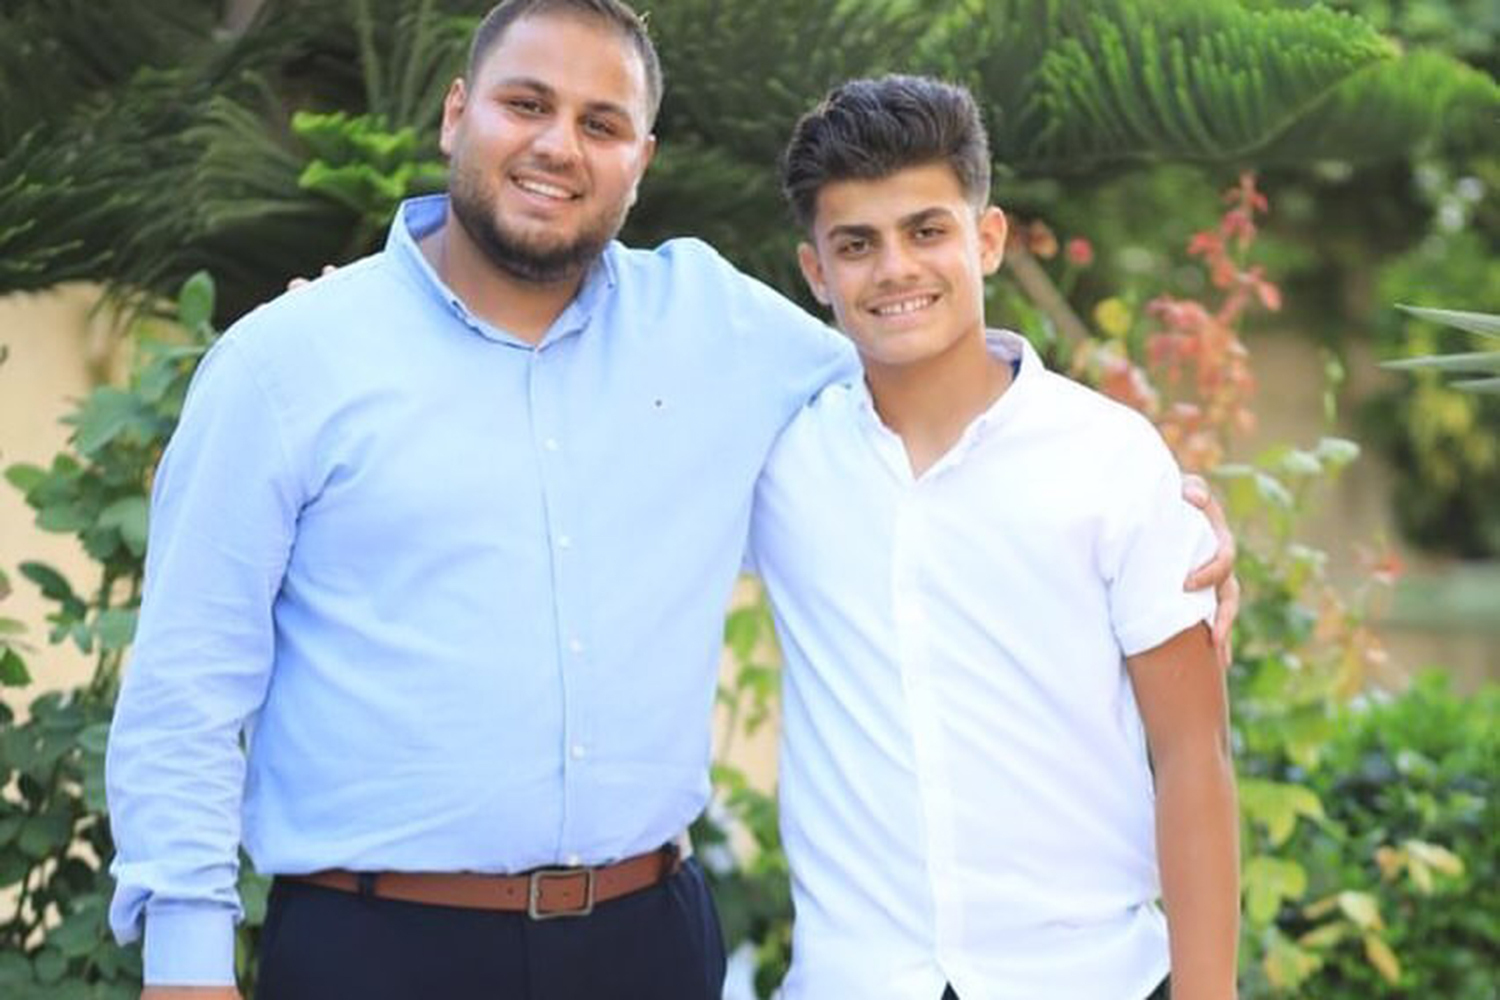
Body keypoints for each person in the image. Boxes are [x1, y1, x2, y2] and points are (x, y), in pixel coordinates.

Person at [105, 3, 1238, 999]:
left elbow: (913, 360)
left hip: (644, 944)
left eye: (601, 124)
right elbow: (188, 688)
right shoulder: (289, 363)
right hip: (376, 944)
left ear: (639, 160)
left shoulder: (718, 328)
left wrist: (1152, 494)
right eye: (526, 104)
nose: (559, 145)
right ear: (457, 114)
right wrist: (187, 958)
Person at [747, 76, 1240, 1000]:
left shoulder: (1111, 457)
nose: (895, 269)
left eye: (926, 231)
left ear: (988, 238)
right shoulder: (777, 462)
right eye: (856, 245)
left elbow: (1193, 756)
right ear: (816, 273)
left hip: (1089, 980)